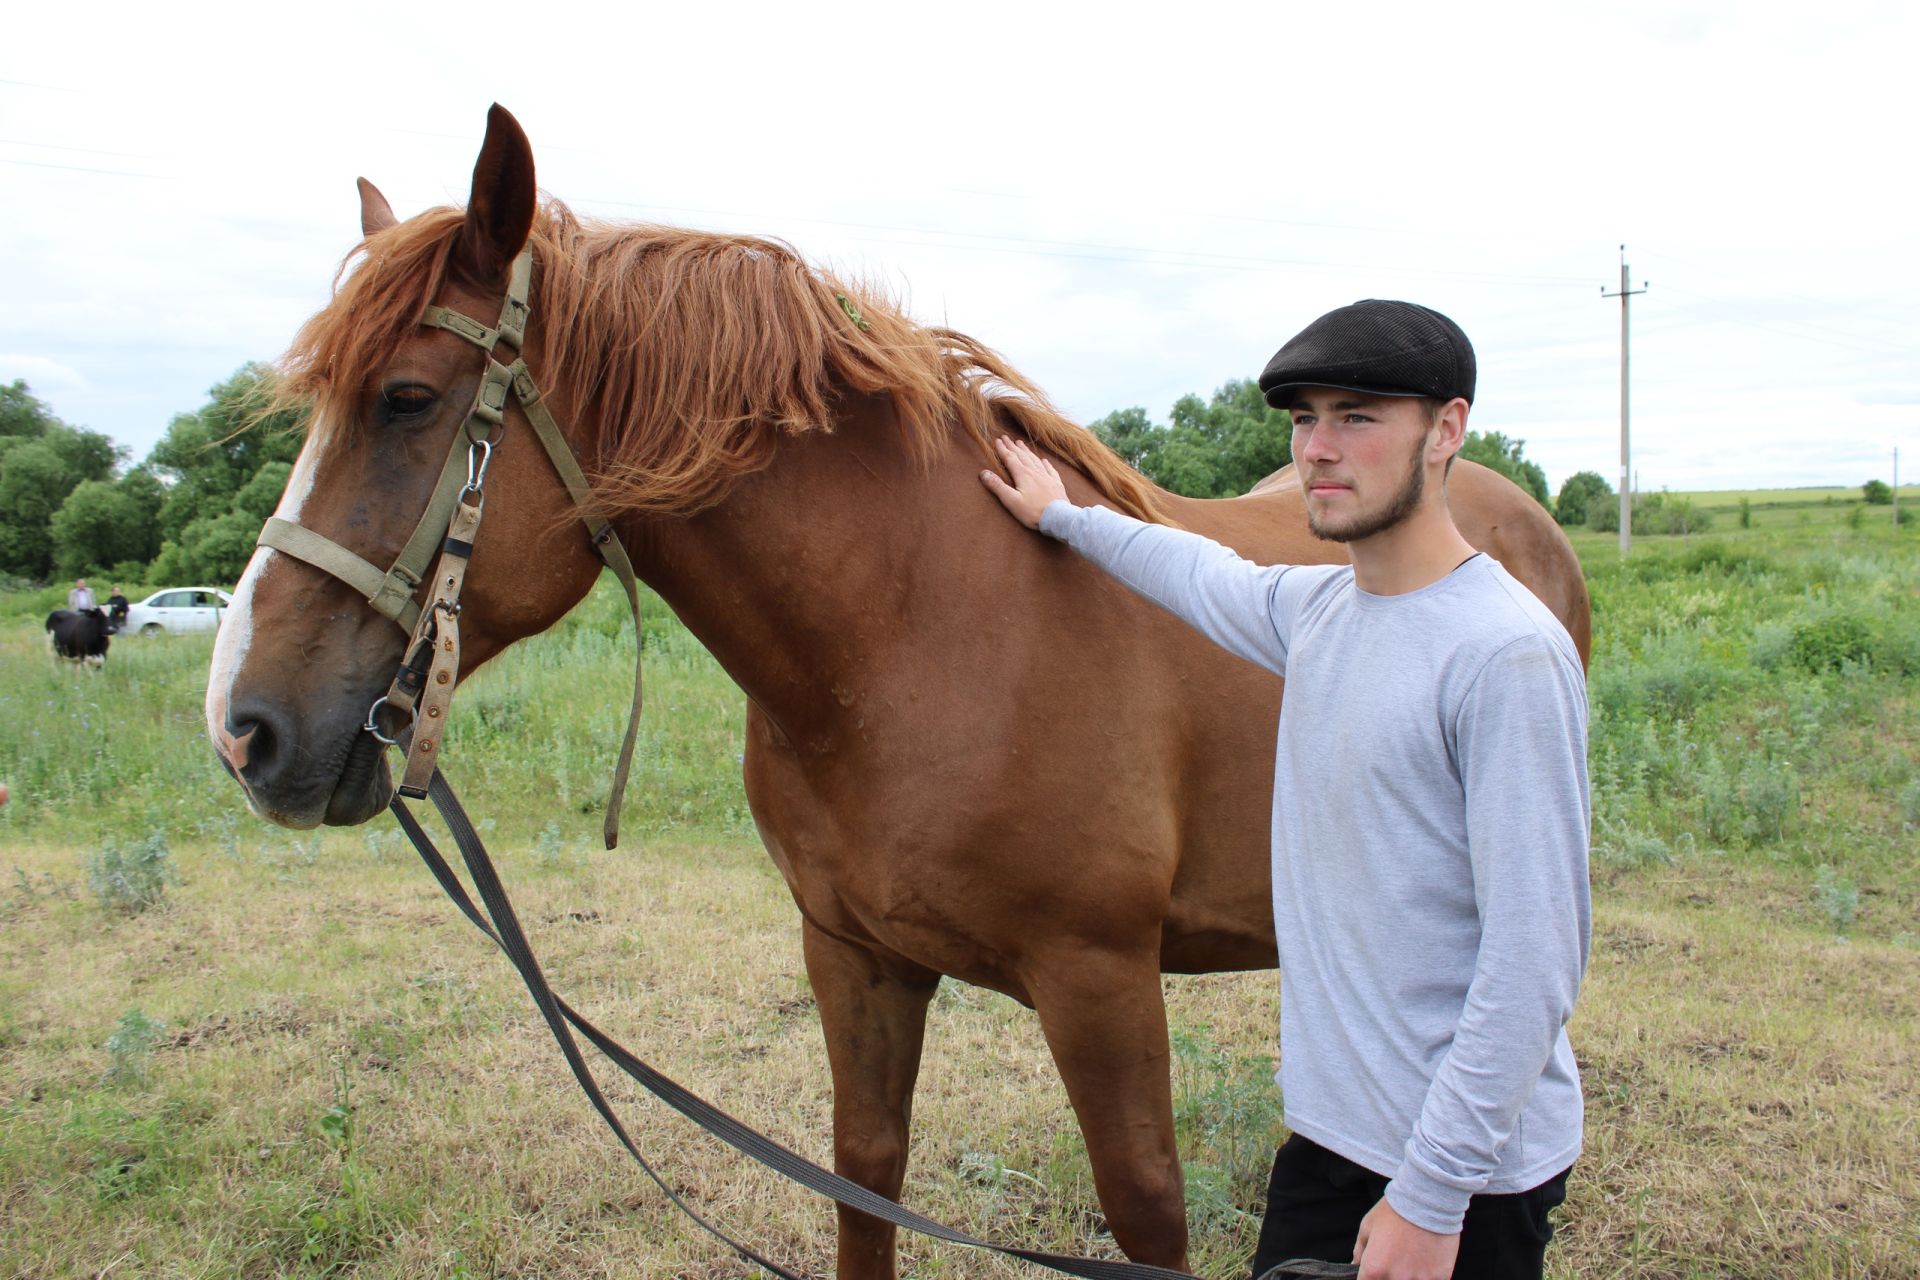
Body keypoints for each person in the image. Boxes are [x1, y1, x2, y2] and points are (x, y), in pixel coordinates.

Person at [979, 299, 1590, 1280]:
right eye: (1305, 417)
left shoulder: (1506, 654)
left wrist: (1431, 1199)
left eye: (1357, 415)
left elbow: (1536, 960)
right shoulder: (1318, 612)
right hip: (1331, 1137)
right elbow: (1193, 567)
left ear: (1446, 429)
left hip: (1470, 1172)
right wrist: (1061, 513)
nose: (1318, 447)